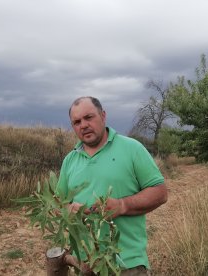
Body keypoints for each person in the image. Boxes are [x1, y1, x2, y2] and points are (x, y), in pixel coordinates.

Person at [57, 96, 167, 275]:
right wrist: (68, 210)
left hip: (126, 263)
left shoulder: (132, 148)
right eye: (76, 122)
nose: (83, 125)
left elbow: (160, 193)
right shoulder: (70, 160)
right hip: (85, 264)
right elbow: (57, 203)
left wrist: (122, 205)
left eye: (89, 117)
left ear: (103, 116)